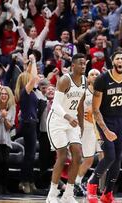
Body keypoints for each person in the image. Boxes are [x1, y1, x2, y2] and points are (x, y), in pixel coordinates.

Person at [86, 51, 122, 203]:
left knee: (118, 158)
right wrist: (105, 130)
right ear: (112, 62)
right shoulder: (102, 79)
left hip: (121, 122)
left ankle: (107, 194)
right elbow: (96, 109)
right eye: (117, 58)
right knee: (109, 156)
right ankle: (91, 185)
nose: (120, 61)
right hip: (103, 121)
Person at [46, 53, 86, 203]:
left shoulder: (84, 81)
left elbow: (80, 104)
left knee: (77, 156)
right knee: (62, 155)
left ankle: (68, 194)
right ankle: (52, 195)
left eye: (85, 63)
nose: (83, 66)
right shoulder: (64, 80)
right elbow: (55, 105)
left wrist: (81, 125)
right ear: (73, 65)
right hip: (57, 121)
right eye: (80, 63)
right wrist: (68, 117)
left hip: (73, 122)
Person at [15, 54, 40, 194]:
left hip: (29, 123)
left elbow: (31, 75)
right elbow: (35, 77)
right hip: (28, 124)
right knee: (29, 155)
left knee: (30, 155)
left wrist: (30, 62)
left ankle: (29, 181)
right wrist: (35, 61)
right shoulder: (26, 91)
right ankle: (24, 181)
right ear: (26, 81)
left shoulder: (27, 92)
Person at [74, 69, 102, 194]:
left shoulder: (103, 92)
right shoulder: (83, 92)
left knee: (104, 158)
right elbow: (76, 109)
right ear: (88, 78)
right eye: (92, 74)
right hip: (88, 127)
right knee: (88, 160)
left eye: (97, 74)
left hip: (101, 128)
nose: (95, 76)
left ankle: (95, 184)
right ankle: (77, 182)